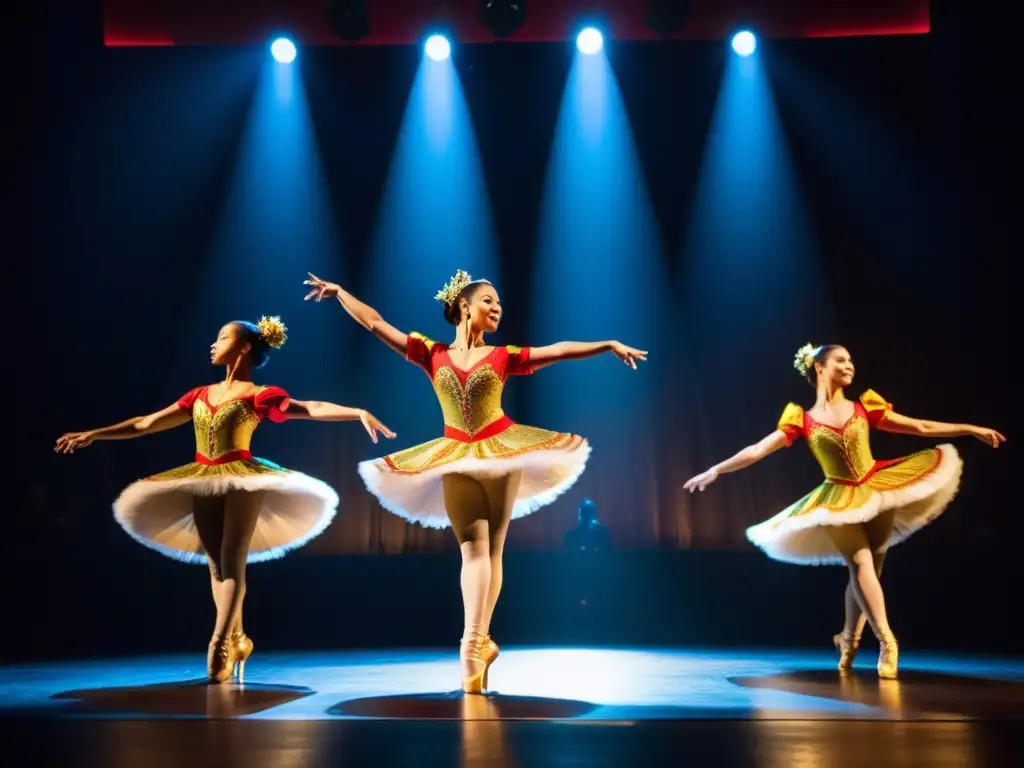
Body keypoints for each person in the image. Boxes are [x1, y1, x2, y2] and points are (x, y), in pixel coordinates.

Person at [303, 269, 646, 693]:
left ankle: (473, 643)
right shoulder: (431, 353)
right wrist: (340, 292)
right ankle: (474, 644)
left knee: (488, 549)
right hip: (456, 454)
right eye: (489, 300)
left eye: (499, 303)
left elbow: (556, 351)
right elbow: (375, 324)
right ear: (464, 306)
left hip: (500, 450)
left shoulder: (503, 356)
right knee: (475, 550)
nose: (497, 307)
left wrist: (606, 344)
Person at [55, 316, 395, 683]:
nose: (213, 344)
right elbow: (145, 423)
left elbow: (309, 407)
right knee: (216, 562)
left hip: (241, 478)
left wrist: (357, 412)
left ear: (245, 347)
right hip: (202, 478)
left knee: (232, 555)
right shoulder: (199, 395)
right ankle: (236, 637)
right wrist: (95, 434)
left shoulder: (258, 395)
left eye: (222, 337)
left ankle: (218, 640)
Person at [683, 343, 1005, 679]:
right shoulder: (802, 420)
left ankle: (848, 639)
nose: (849, 365)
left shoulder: (865, 407)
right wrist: (716, 470)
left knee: (867, 572)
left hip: (877, 488)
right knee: (860, 563)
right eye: (840, 360)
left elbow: (920, 427)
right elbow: (757, 449)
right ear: (819, 368)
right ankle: (887, 642)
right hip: (836, 498)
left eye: (851, 360)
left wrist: (969, 427)